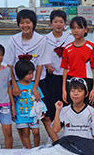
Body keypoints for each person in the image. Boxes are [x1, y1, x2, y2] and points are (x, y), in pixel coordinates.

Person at [3, 9, 55, 141]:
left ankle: (55, 141)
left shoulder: (41, 41)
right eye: (21, 23)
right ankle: (26, 147)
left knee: (45, 115)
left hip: (38, 82)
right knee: (20, 117)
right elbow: (9, 64)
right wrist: (14, 85)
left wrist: (35, 88)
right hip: (18, 83)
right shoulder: (13, 40)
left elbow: (40, 65)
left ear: (33, 23)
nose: (25, 25)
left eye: (28, 22)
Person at [39, 10, 74, 129]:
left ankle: (67, 128)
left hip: (66, 75)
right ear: (51, 23)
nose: (58, 24)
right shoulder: (45, 39)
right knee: (52, 102)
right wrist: (48, 66)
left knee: (67, 101)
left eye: (61, 22)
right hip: (51, 76)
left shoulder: (69, 39)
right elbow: (42, 56)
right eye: (55, 22)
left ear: (65, 23)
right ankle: (54, 131)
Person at [61, 16, 94, 106]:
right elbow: (65, 69)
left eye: (79, 28)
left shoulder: (91, 47)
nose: (76, 31)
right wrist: (64, 89)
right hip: (71, 81)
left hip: (87, 81)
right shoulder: (67, 48)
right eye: (73, 28)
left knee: (89, 109)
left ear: (85, 30)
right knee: (70, 110)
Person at [13, 60, 45, 148]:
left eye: (32, 73)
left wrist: (42, 111)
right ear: (21, 74)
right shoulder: (15, 86)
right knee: (25, 132)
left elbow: (39, 100)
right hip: (21, 115)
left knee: (36, 132)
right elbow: (13, 100)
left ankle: (36, 148)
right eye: (29, 74)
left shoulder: (34, 85)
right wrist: (13, 112)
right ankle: (28, 150)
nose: (32, 75)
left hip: (33, 115)